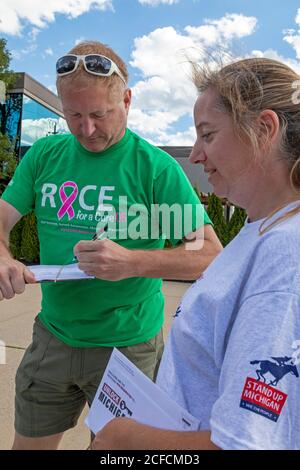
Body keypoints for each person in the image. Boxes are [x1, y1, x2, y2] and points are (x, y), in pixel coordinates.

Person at [0, 41, 222, 450]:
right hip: (53, 335)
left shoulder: (155, 168)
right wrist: (3, 257)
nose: (86, 130)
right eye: (73, 115)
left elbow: (207, 252)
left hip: (128, 346)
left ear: (126, 100)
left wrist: (132, 261)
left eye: (99, 114)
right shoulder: (46, 155)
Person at [92, 57, 300, 451]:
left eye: (207, 135)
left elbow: (243, 444)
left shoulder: (285, 253)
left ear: (265, 129)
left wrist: (123, 438)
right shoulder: (260, 228)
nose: (197, 155)